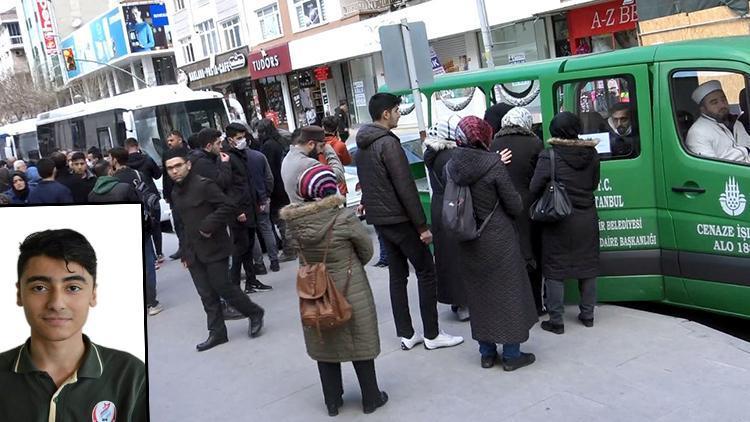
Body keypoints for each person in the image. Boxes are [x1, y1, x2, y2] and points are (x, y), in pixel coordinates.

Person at [0, 229, 146, 422]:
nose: (57, 303)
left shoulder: (132, 376)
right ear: (19, 294)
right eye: (39, 288)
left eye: (73, 288)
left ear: (93, 294)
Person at [355, 93, 463, 350]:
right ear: (385, 114)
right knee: (427, 271)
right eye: (396, 110)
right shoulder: (389, 144)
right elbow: (405, 187)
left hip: (381, 220)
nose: (399, 114)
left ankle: (406, 333)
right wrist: (422, 226)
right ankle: (432, 334)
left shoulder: (362, 145)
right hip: (401, 219)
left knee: (397, 275)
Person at [280, 165, 388, 416]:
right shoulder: (343, 218)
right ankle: (371, 398)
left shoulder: (293, 223)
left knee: (323, 338)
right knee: (359, 338)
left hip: (314, 289)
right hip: (349, 286)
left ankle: (332, 401)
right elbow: (366, 250)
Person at [447, 116, 538, 370]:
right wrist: (499, 165)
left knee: (480, 295)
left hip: (468, 239)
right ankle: (511, 355)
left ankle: (486, 354)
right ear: (485, 135)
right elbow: (515, 205)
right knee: (508, 293)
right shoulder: (494, 165)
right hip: (497, 239)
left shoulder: (452, 166)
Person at [165, 148, 265, 351]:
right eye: (170, 168)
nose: (174, 171)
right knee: (206, 294)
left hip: (215, 246)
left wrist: (209, 225)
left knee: (223, 287)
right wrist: (184, 251)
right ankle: (217, 333)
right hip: (193, 251)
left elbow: (227, 206)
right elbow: (183, 225)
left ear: (188, 165)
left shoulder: (204, 185)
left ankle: (254, 312)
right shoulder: (176, 192)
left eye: (178, 166)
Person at [530, 112, 601, 334]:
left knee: (555, 269)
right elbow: (594, 182)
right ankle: (588, 315)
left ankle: (556, 321)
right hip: (587, 217)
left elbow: (534, 187)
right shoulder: (592, 153)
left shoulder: (549, 156)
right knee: (588, 266)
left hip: (558, 218)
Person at [489, 107, 545, 315]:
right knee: (532, 253)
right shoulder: (535, 144)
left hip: (501, 207)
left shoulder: (493, 144)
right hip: (529, 207)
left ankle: (513, 304)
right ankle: (536, 305)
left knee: (508, 256)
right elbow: (540, 176)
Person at [423, 116, 469, 321]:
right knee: (458, 257)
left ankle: (453, 299)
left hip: (439, 207)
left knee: (445, 257)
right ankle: (463, 303)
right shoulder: (451, 156)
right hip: (454, 206)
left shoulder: (432, 154)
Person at [224, 123, 271, 293]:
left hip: (249, 207)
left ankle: (251, 280)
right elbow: (229, 188)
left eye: (243, 137)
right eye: (239, 138)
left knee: (248, 247)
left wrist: (259, 200)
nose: (243, 141)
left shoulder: (241, 154)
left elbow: (248, 182)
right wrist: (238, 211)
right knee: (239, 250)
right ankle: (235, 286)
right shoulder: (228, 158)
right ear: (230, 140)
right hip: (240, 212)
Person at [686, 80, 750, 163]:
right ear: (703, 109)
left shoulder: (736, 123)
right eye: (714, 103)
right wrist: (744, 151)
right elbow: (711, 166)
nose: (722, 105)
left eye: (723, 100)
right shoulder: (697, 132)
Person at [258, 119, 295, 262]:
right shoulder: (281, 140)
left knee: (281, 221)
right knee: (287, 218)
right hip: (285, 182)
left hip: (276, 188)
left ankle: (289, 250)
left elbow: (268, 171)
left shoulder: (268, 146)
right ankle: (292, 248)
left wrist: (267, 191)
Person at [281, 125, 344, 204]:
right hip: (316, 213)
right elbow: (338, 175)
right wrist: (328, 149)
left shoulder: (287, 159)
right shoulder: (308, 164)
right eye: (321, 146)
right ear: (311, 144)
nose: (321, 151)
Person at [126, 138, 164, 261]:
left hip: (136, 197)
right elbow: (157, 175)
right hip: (151, 195)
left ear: (126, 148)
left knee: (143, 228)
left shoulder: (125, 163)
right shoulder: (147, 159)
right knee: (156, 225)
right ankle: (159, 253)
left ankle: (150, 256)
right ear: (138, 146)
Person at [164, 130, 190, 260]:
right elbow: (165, 175)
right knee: (178, 222)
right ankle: (182, 247)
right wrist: (166, 193)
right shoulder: (167, 154)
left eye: (172, 140)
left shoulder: (188, 152)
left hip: (189, 190)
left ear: (179, 140)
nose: (169, 143)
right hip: (174, 193)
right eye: (168, 141)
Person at [320, 116, 352, 196]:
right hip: (339, 186)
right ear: (336, 128)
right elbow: (347, 162)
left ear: (322, 127)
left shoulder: (317, 145)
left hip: (322, 184)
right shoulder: (340, 145)